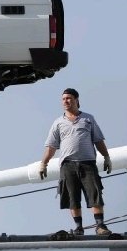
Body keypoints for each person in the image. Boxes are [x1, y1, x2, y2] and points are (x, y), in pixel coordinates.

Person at [39, 88, 113, 236]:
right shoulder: (58, 123)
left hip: (87, 163)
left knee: (95, 194)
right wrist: (44, 163)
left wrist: (106, 157)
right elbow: (51, 146)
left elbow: (98, 140)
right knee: (72, 197)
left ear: (76, 100)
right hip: (68, 165)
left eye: (69, 98)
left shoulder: (88, 119)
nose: (66, 101)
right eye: (63, 99)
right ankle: (79, 227)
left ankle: (100, 226)